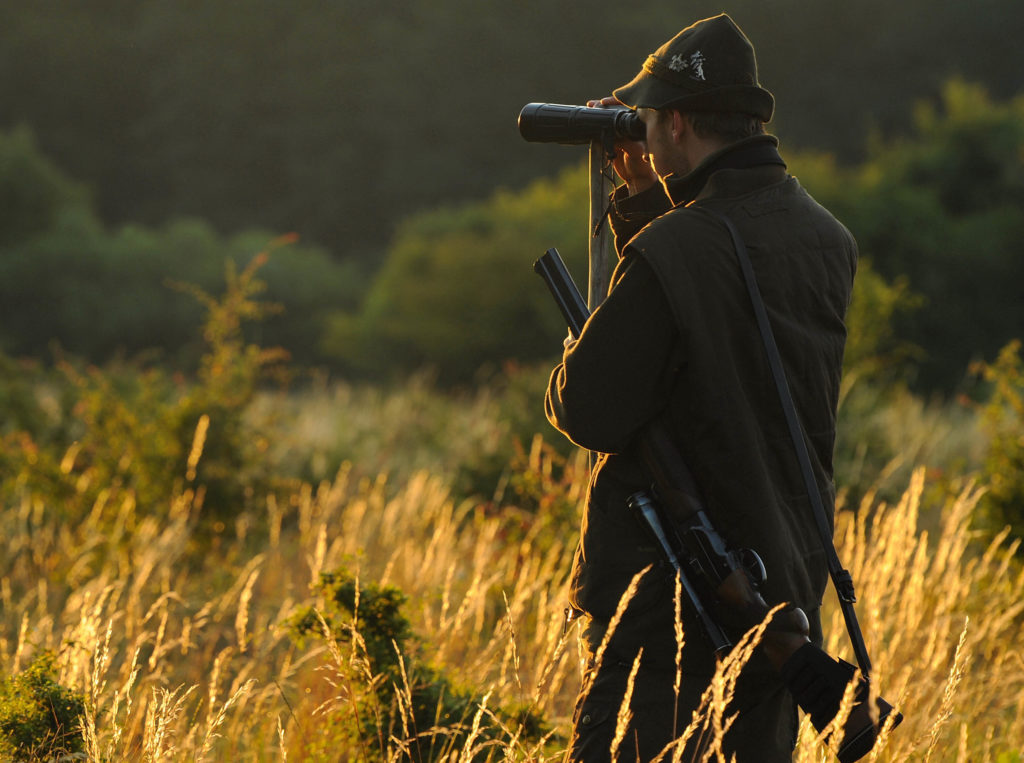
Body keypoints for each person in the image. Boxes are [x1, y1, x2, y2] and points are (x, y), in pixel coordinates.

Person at [544, 13, 858, 762]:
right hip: (779, 584)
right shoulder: (826, 238)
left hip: (668, 604)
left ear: (677, 122)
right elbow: (722, 339)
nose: (644, 132)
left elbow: (586, 406)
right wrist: (650, 208)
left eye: (649, 118)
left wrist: (648, 228)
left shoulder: (678, 246)